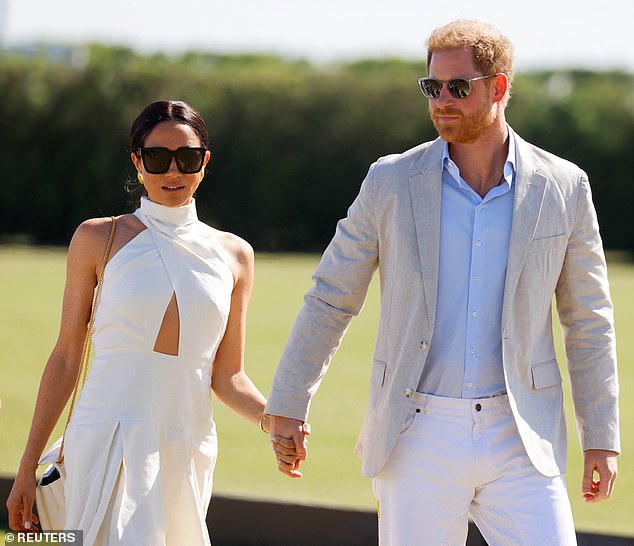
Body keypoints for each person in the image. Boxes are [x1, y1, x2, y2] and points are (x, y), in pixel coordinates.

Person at [264, 19, 620, 545]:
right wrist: (290, 400)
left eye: (458, 87)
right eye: (433, 87)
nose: (442, 100)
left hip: (519, 434)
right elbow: (332, 297)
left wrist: (602, 437)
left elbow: (589, 321)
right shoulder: (389, 180)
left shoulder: (564, 187)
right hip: (415, 430)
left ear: (498, 88)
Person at [7, 100, 272, 545]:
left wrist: (276, 420)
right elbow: (66, 356)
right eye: (156, 157)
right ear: (137, 161)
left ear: (204, 163)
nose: (173, 170)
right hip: (104, 435)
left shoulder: (235, 255)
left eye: (187, 158)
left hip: (184, 444)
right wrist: (26, 467)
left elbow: (228, 376)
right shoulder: (96, 237)